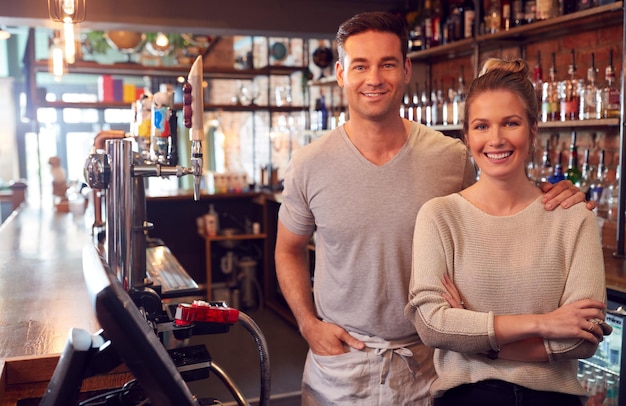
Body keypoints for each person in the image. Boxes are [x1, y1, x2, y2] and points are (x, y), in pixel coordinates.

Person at [275, 12, 589, 405]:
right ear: (340, 73)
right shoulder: (309, 163)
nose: (374, 78)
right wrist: (308, 324)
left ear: (406, 69)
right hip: (340, 364)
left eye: (387, 64)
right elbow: (288, 248)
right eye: (360, 66)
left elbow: (498, 197)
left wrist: (552, 194)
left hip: (431, 366)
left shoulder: (450, 156)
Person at [404, 58, 611, 406]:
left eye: (510, 123)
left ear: (533, 129)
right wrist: (544, 323)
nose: (496, 139)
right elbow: (433, 326)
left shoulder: (573, 217)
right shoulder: (440, 216)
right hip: (466, 398)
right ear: (466, 136)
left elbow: (583, 338)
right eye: (482, 126)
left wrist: (478, 340)